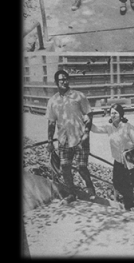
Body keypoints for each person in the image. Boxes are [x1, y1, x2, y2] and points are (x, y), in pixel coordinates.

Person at [46, 70, 96, 200]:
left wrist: (86, 133)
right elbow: (51, 122)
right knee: (64, 167)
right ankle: (71, 193)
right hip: (63, 140)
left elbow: (89, 115)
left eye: (66, 79)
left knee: (81, 167)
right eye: (61, 79)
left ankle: (90, 188)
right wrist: (50, 141)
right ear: (56, 82)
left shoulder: (79, 96)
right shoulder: (53, 101)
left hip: (80, 138)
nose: (64, 81)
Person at [91, 104, 134, 210]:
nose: (113, 115)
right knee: (116, 182)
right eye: (111, 113)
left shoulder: (128, 127)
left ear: (121, 114)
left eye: (116, 113)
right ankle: (121, 203)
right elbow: (95, 129)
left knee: (128, 185)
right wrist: (88, 117)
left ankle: (128, 208)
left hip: (129, 161)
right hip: (118, 161)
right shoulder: (109, 128)